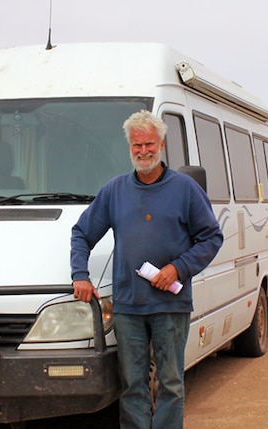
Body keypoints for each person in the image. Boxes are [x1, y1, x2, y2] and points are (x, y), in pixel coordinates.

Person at [70, 110, 224, 429]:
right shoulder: (114, 191)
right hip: (128, 308)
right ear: (130, 148)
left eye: (149, 144)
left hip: (170, 306)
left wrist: (178, 268)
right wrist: (80, 275)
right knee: (132, 386)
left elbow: (212, 237)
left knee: (170, 384)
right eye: (137, 145)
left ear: (162, 144)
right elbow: (82, 233)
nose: (144, 151)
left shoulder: (185, 189)